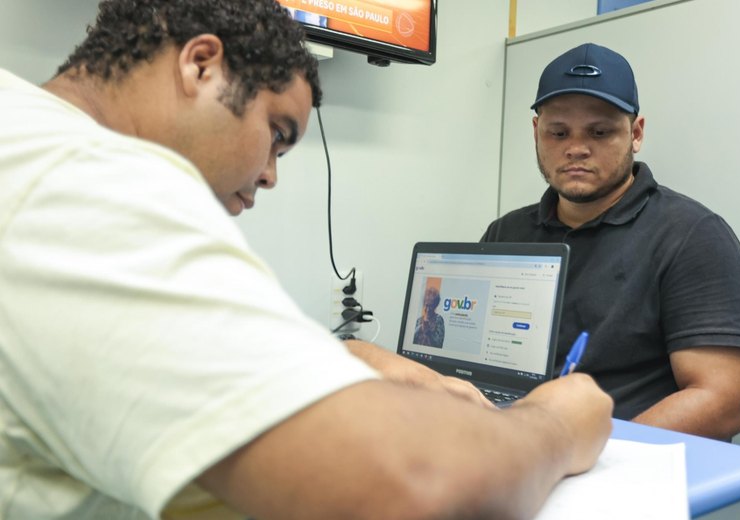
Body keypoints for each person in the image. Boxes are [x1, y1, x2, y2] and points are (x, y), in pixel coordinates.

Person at [0, 2, 613, 518]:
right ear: (201, 65)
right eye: (277, 133)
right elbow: (414, 486)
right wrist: (553, 425)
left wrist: (337, 359)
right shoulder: (86, 182)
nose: (267, 176)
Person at [481, 42, 740, 441]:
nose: (576, 148)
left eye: (600, 131)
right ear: (536, 133)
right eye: (558, 132)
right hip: (506, 444)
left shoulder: (692, 236)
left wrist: (584, 451)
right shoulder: (505, 233)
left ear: (636, 133)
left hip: (618, 468)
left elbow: (723, 401)